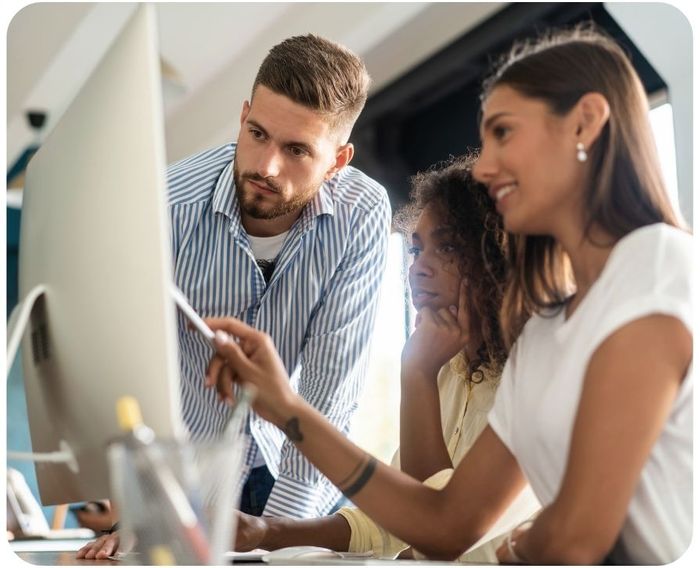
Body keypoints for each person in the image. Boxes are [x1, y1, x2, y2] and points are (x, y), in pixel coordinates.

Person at [203, 26, 692, 565]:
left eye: (504, 133)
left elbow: (578, 539)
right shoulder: (549, 335)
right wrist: (285, 407)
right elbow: (447, 524)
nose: (483, 167)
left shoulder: (657, 266)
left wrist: (526, 547)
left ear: (585, 122)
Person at [77, 33, 390, 560]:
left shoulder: (363, 215)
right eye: (257, 133)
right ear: (243, 114)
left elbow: (329, 394)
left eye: (296, 150)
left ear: (338, 160)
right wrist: (145, 518)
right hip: (179, 484)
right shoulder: (166, 210)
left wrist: (276, 546)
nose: (266, 166)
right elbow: (125, 380)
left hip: (290, 473)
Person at [231, 157, 540, 561]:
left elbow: (434, 528)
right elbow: (396, 520)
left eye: (446, 246)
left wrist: (416, 374)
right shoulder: (450, 366)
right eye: (416, 250)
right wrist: (266, 532)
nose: (417, 270)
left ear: (499, 253)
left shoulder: (535, 377)